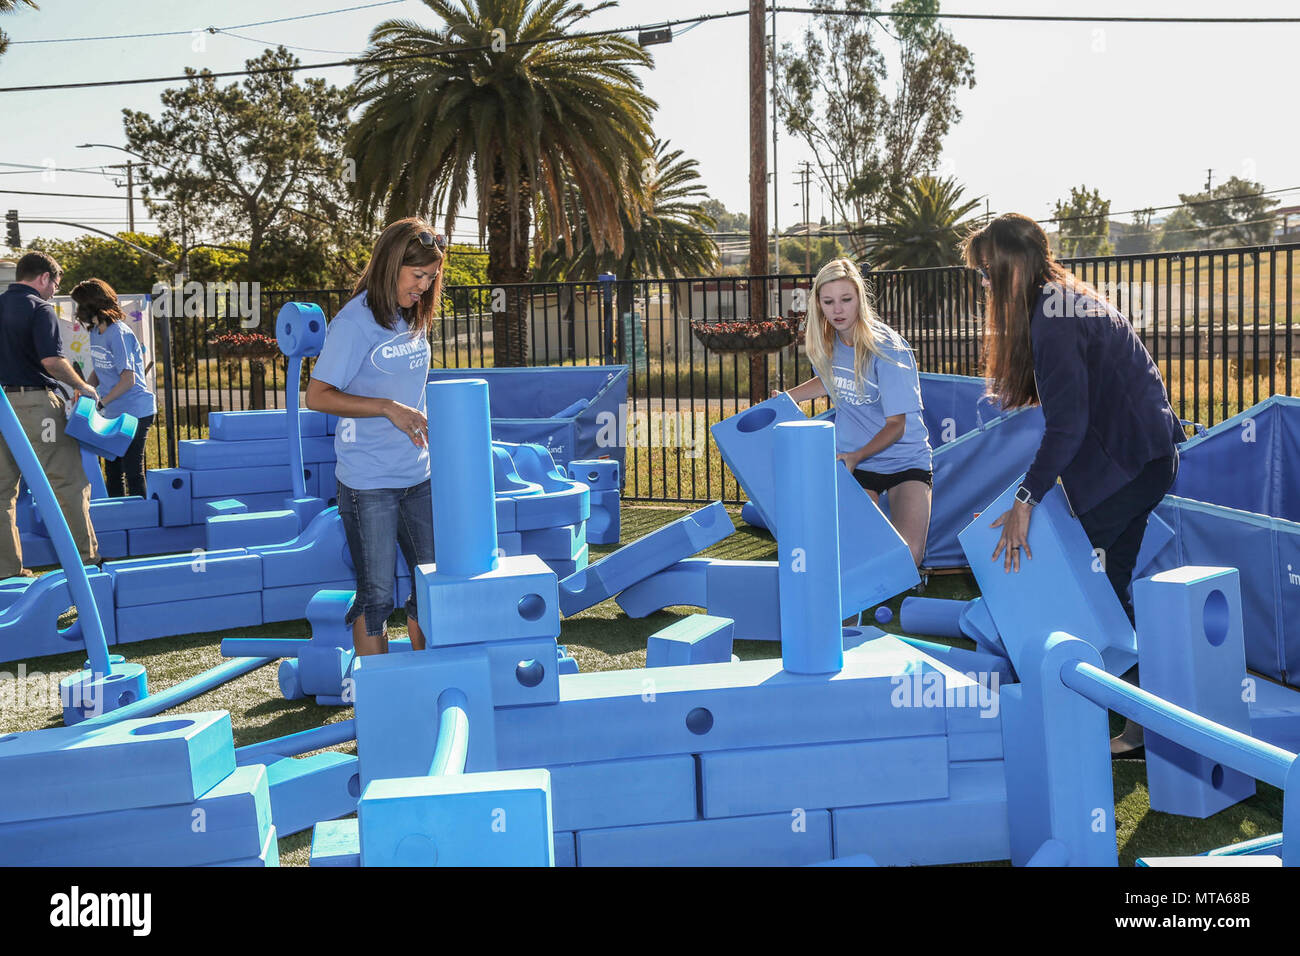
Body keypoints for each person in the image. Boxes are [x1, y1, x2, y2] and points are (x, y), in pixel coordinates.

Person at [963, 213, 1185, 758]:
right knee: (1111, 589)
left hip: (1129, 467)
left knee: (1089, 592)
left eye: (988, 273)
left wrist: (1025, 499)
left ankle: (1104, 714)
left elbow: (1069, 426)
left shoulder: (1052, 316)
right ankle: (1139, 724)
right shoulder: (1064, 299)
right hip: (1146, 460)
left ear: (1012, 269)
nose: (985, 285)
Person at [305, 218, 445, 656]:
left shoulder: (412, 316)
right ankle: (381, 706)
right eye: (417, 275)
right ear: (391, 266)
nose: (424, 286)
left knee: (432, 588)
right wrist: (386, 408)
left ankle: (431, 685)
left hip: (417, 476)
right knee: (376, 599)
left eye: (431, 277)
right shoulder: (354, 322)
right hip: (369, 484)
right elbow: (317, 396)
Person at [776, 257, 934, 572]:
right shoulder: (828, 342)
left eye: (846, 300)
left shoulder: (887, 348)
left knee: (907, 557)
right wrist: (786, 397)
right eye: (829, 301)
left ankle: (900, 577)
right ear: (819, 304)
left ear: (859, 299)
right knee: (854, 547)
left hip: (903, 460)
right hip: (855, 465)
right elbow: (830, 378)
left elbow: (897, 426)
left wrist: (856, 455)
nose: (838, 310)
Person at [0, 251, 101, 577]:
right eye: (55, 283)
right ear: (43, 277)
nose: (55, 290)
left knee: (2, 492)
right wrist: (83, 386)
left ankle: (7, 573)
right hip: (35, 406)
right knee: (67, 482)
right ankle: (85, 563)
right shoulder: (39, 308)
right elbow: (51, 361)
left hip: (2, 403)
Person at [71, 279, 157, 498]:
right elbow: (99, 370)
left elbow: (129, 379)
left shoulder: (118, 332)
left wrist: (101, 402)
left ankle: (141, 520)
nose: (77, 311)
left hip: (136, 412)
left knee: (132, 472)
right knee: (113, 471)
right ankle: (118, 520)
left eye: (80, 305)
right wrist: (85, 389)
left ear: (93, 304)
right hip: (113, 411)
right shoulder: (95, 333)